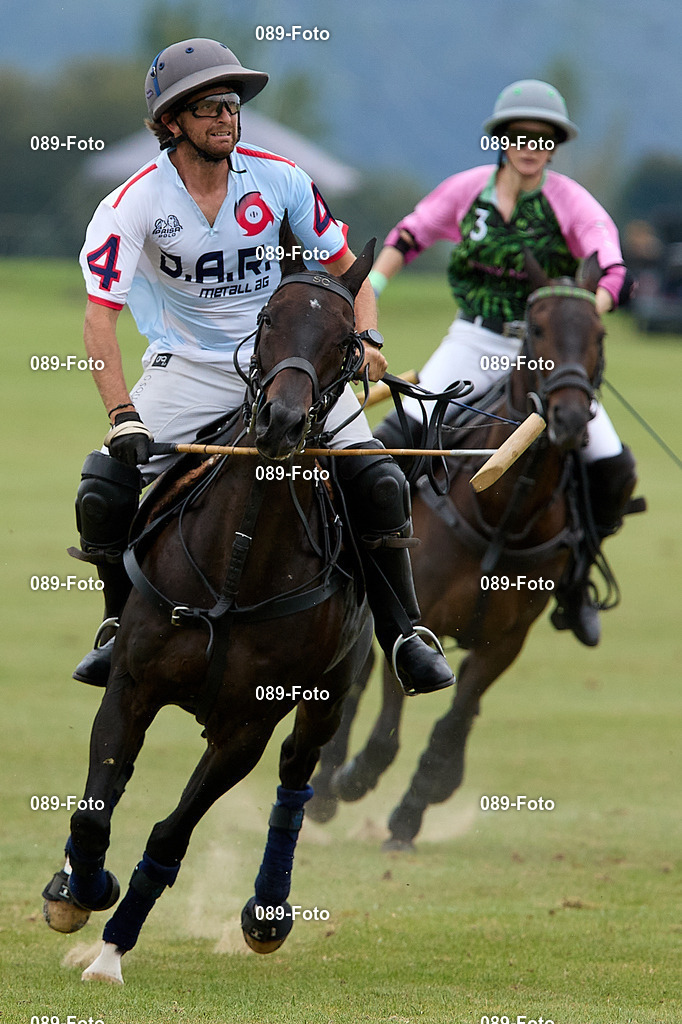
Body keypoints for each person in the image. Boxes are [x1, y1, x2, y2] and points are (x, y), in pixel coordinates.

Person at [71, 37, 454, 696]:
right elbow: (97, 319)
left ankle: (405, 633)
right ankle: (115, 623)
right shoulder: (133, 203)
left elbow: (349, 271)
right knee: (103, 488)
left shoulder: (280, 179)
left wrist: (365, 336)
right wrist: (121, 415)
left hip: (292, 363)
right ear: (171, 123)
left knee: (380, 483)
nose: (225, 118)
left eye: (230, 105)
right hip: (188, 367)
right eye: (207, 108)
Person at [368, 79, 637, 647]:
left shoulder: (570, 201)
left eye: (544, 138)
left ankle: (576, 579)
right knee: (398, 436)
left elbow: (612, 271)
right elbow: (409, 235)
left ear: (554, 144)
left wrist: (586, 311)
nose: (531, 146)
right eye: (521, 135)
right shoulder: (468, 191)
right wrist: (370, 287)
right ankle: (368, 562)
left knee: (612, 465)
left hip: (548, 354)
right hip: (475, 340)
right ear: (503, 138)